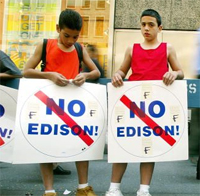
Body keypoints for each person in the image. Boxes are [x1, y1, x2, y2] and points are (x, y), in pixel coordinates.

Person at [105, 9, 184, 196]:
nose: (146, 28)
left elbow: (180, 71)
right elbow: (122, 71)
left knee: (150, 146)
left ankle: (144, 189)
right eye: (143, 24)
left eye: (151, 25)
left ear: (160, 28)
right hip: (133, 104)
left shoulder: (168, 48)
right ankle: (113, 188)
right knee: (123, 144)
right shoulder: (132, 49)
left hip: (156, 105)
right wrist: (118, 74)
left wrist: (174, 73)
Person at [23, 9, 100, 196]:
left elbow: (96, 72)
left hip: (73, 104)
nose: (70, 41)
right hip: (48, 104)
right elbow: (26, 71)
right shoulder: (44, 45)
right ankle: (49, 191)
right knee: (46, 146)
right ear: (58, 28)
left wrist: (85, 75)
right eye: (66, 35)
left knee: (81, 143)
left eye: (75, 37)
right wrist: (48, 75)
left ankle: (83, 187)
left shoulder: (80, 49)